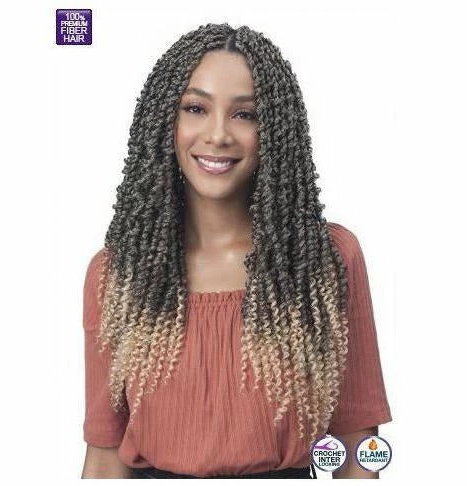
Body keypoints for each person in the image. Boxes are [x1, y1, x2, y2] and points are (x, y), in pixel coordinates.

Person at [80, 23, 392, 479]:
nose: (218, 134)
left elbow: (357, 446)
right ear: (165, 121)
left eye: (245, 114)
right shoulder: (117, 276)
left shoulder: (326, 261)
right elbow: (105, 457)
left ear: (274, 131)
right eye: (195, 108)